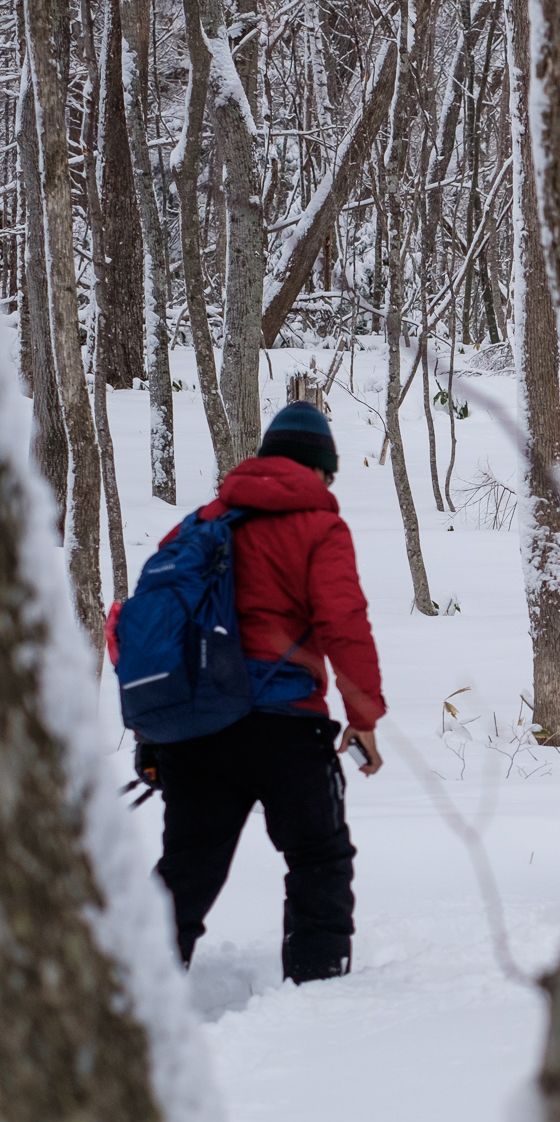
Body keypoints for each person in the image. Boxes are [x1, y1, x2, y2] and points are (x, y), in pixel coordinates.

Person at [148, 402, 385, 984]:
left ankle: (133, 999)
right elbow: (343, 622)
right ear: (321, 471)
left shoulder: (200, 525)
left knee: (186, 870)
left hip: (199, 729)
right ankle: (318, 992)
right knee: (318, 859)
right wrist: (364, 716)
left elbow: (154, 627)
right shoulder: (320, 527)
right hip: (286, 726)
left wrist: (152, 733)